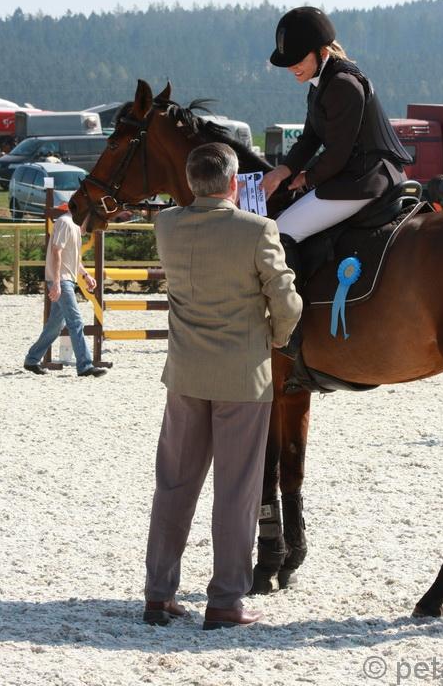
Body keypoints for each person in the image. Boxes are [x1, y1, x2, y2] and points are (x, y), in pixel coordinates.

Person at [144, 142, 302, 631]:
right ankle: (226, 600)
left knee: (173, 486)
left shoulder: (166, 224)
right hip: (241, 377)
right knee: (236, 492)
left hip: (185, 373)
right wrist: (275, 337)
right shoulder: (257, 230)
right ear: (235, 183)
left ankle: (158, 594)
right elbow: (288, 302)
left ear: (192, 182)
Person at [261, 6, 409, 283]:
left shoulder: (343, 84)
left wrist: (307, 177)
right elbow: (310, 138)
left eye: (298, 60)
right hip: (353, 174)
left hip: (364, 179)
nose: (292, 67)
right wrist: (282, 171)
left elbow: (338, 152)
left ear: (322, 52)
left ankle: (291, 308)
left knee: (278, 233)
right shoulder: (321, 82)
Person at [24, 203, 107, 377]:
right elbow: (56, 251)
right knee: (75, 322)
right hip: (61, 281)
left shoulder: (74, 226)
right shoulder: (64, 222)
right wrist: (56, 282)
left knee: (55, 325)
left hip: (66, 280)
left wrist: (85, 275)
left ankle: (31, 360)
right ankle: (85, 366)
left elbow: (73, 258)